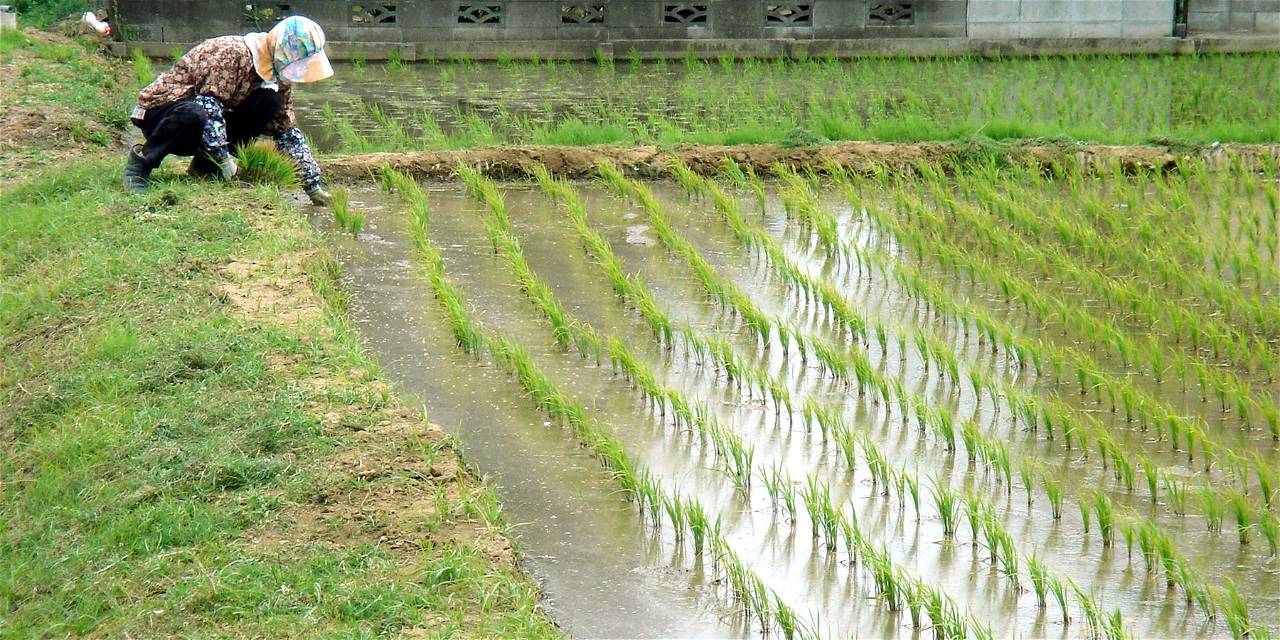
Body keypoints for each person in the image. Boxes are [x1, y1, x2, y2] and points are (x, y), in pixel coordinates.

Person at [124, 15, 333, 205]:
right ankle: (141, 162)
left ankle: (205, 167)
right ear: (283, 49)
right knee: (195, 113)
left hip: (202, 121)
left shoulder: (278, 77)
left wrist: (312, 185)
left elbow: (286, 131)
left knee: (270, 102)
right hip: (163, 114)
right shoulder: (231, 53)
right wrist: (225, 160)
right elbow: (209, 107)